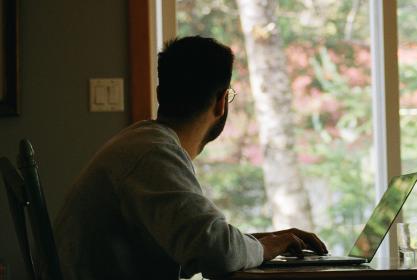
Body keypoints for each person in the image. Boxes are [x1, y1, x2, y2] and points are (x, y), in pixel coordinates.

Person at [54, 36, 328, 280]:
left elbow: (193, 243)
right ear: (221, 102)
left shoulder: (142, 144)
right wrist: (265, 247)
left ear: (160, 95)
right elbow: (216, 254)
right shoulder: (154, 154)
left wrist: (260, 242)